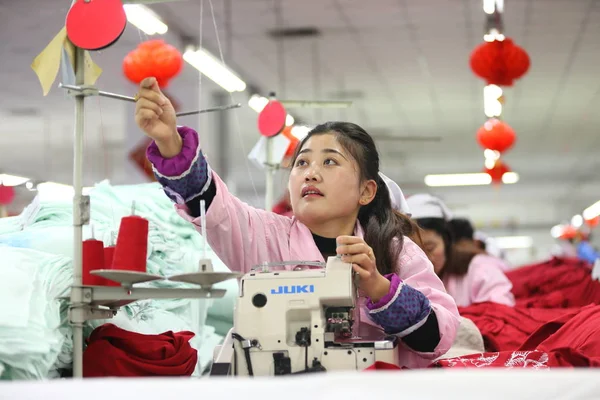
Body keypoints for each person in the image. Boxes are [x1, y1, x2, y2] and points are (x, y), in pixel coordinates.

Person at [135, 77, 459, 368]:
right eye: (301, 162)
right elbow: (209, 205)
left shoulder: (395, 252)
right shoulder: (265, 236)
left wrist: (380, 288)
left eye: (330, 161)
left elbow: (437, 339)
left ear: (366, 190)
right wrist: (170, 143)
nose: (310, 172)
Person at [406, 194, 515, 308]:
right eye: (414, 251)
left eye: (430, 248)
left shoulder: (479, 267)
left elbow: (501, 309)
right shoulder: (405, 280)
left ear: (446, 240)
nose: (425, 258)